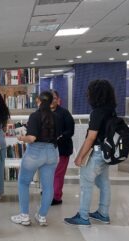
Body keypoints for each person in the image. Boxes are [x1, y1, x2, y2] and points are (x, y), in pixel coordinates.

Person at [64, 80, 116, 226]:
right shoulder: (111, 110)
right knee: (104, 182)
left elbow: (91, 137)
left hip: (97, 152)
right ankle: (103, 213)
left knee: (86, 184)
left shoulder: (97, 112)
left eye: (89, 92)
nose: (87, 94)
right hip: (106, 152)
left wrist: (80, 156)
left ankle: (83, 216)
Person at [11, 91, 59, 227]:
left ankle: (24, 216)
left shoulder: (35, 116)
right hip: (52, 152)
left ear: (38, 100)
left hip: (35, 152)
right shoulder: (56, 116)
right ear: (51, 102)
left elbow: (31, 138)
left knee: (23, 182)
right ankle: (42, 216)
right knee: (48, 186)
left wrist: (21, 138)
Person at [50, 90, 75, 205]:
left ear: (58, 99)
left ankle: (56, 197)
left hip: (62, 149)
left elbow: (70, 131)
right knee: (49, 173)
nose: (52, 100)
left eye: (54, 98)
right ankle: (50, 192)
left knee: (58, 174)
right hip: (48, 150)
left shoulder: (65, 113)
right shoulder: (43, 112)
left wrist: (59, 137)